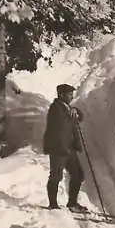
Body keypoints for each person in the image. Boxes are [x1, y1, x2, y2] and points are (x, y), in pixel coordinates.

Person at [43, 83, 87, 212]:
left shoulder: (67, 107)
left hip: (69, 148)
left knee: (78, 174)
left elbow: (80, 118)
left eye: (72, 94)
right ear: (61, 95)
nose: (72, 97)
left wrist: (76, 112)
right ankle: (53, 204)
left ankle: (72, 204)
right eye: (69, 94)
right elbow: (62, 122)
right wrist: (72, 113)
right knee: (56, 176)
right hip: (58, 148)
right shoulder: (55, 108)